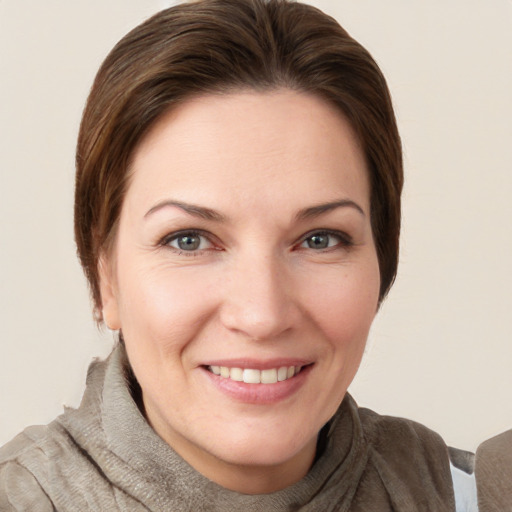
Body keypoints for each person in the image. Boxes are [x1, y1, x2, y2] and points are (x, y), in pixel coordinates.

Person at [0, 0, 508, 510]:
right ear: (105, 275)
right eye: (189, 240)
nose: (262, 315)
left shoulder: (477, 496)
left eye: (320, 239)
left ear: (382, 256)